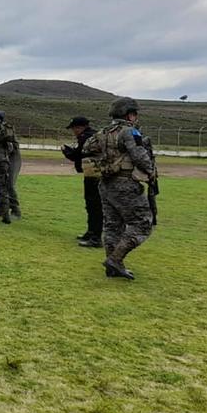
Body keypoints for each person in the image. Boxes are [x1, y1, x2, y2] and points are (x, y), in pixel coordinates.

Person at [83, 97, 155, 280]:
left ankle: (113, 267)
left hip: (106, 184)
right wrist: (151, 171)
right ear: (130, 115)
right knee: (142, 223)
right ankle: (115, 260)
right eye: (135, 114)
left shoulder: (103, 132)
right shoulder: (130, 131)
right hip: (126, 184)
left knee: (112, 225)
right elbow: (139, 155)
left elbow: (87, 147)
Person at [61, 116, 104, 248]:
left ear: (79, 127)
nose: (73, 131)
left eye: (74, 128)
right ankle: (91, 232)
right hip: (96, 173)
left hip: (93, 174)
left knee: (94, 205)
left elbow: (78, 155)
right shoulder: (94, 136)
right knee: (92, 205)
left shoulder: (86, 137)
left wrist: (67, 152)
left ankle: (95, 237)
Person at [0, 111, 22, 218]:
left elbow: (10, 148)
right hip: (2, 159)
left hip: (12, 159)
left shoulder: (6, 129)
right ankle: (0, 209)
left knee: (9, 184)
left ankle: (15, 210)